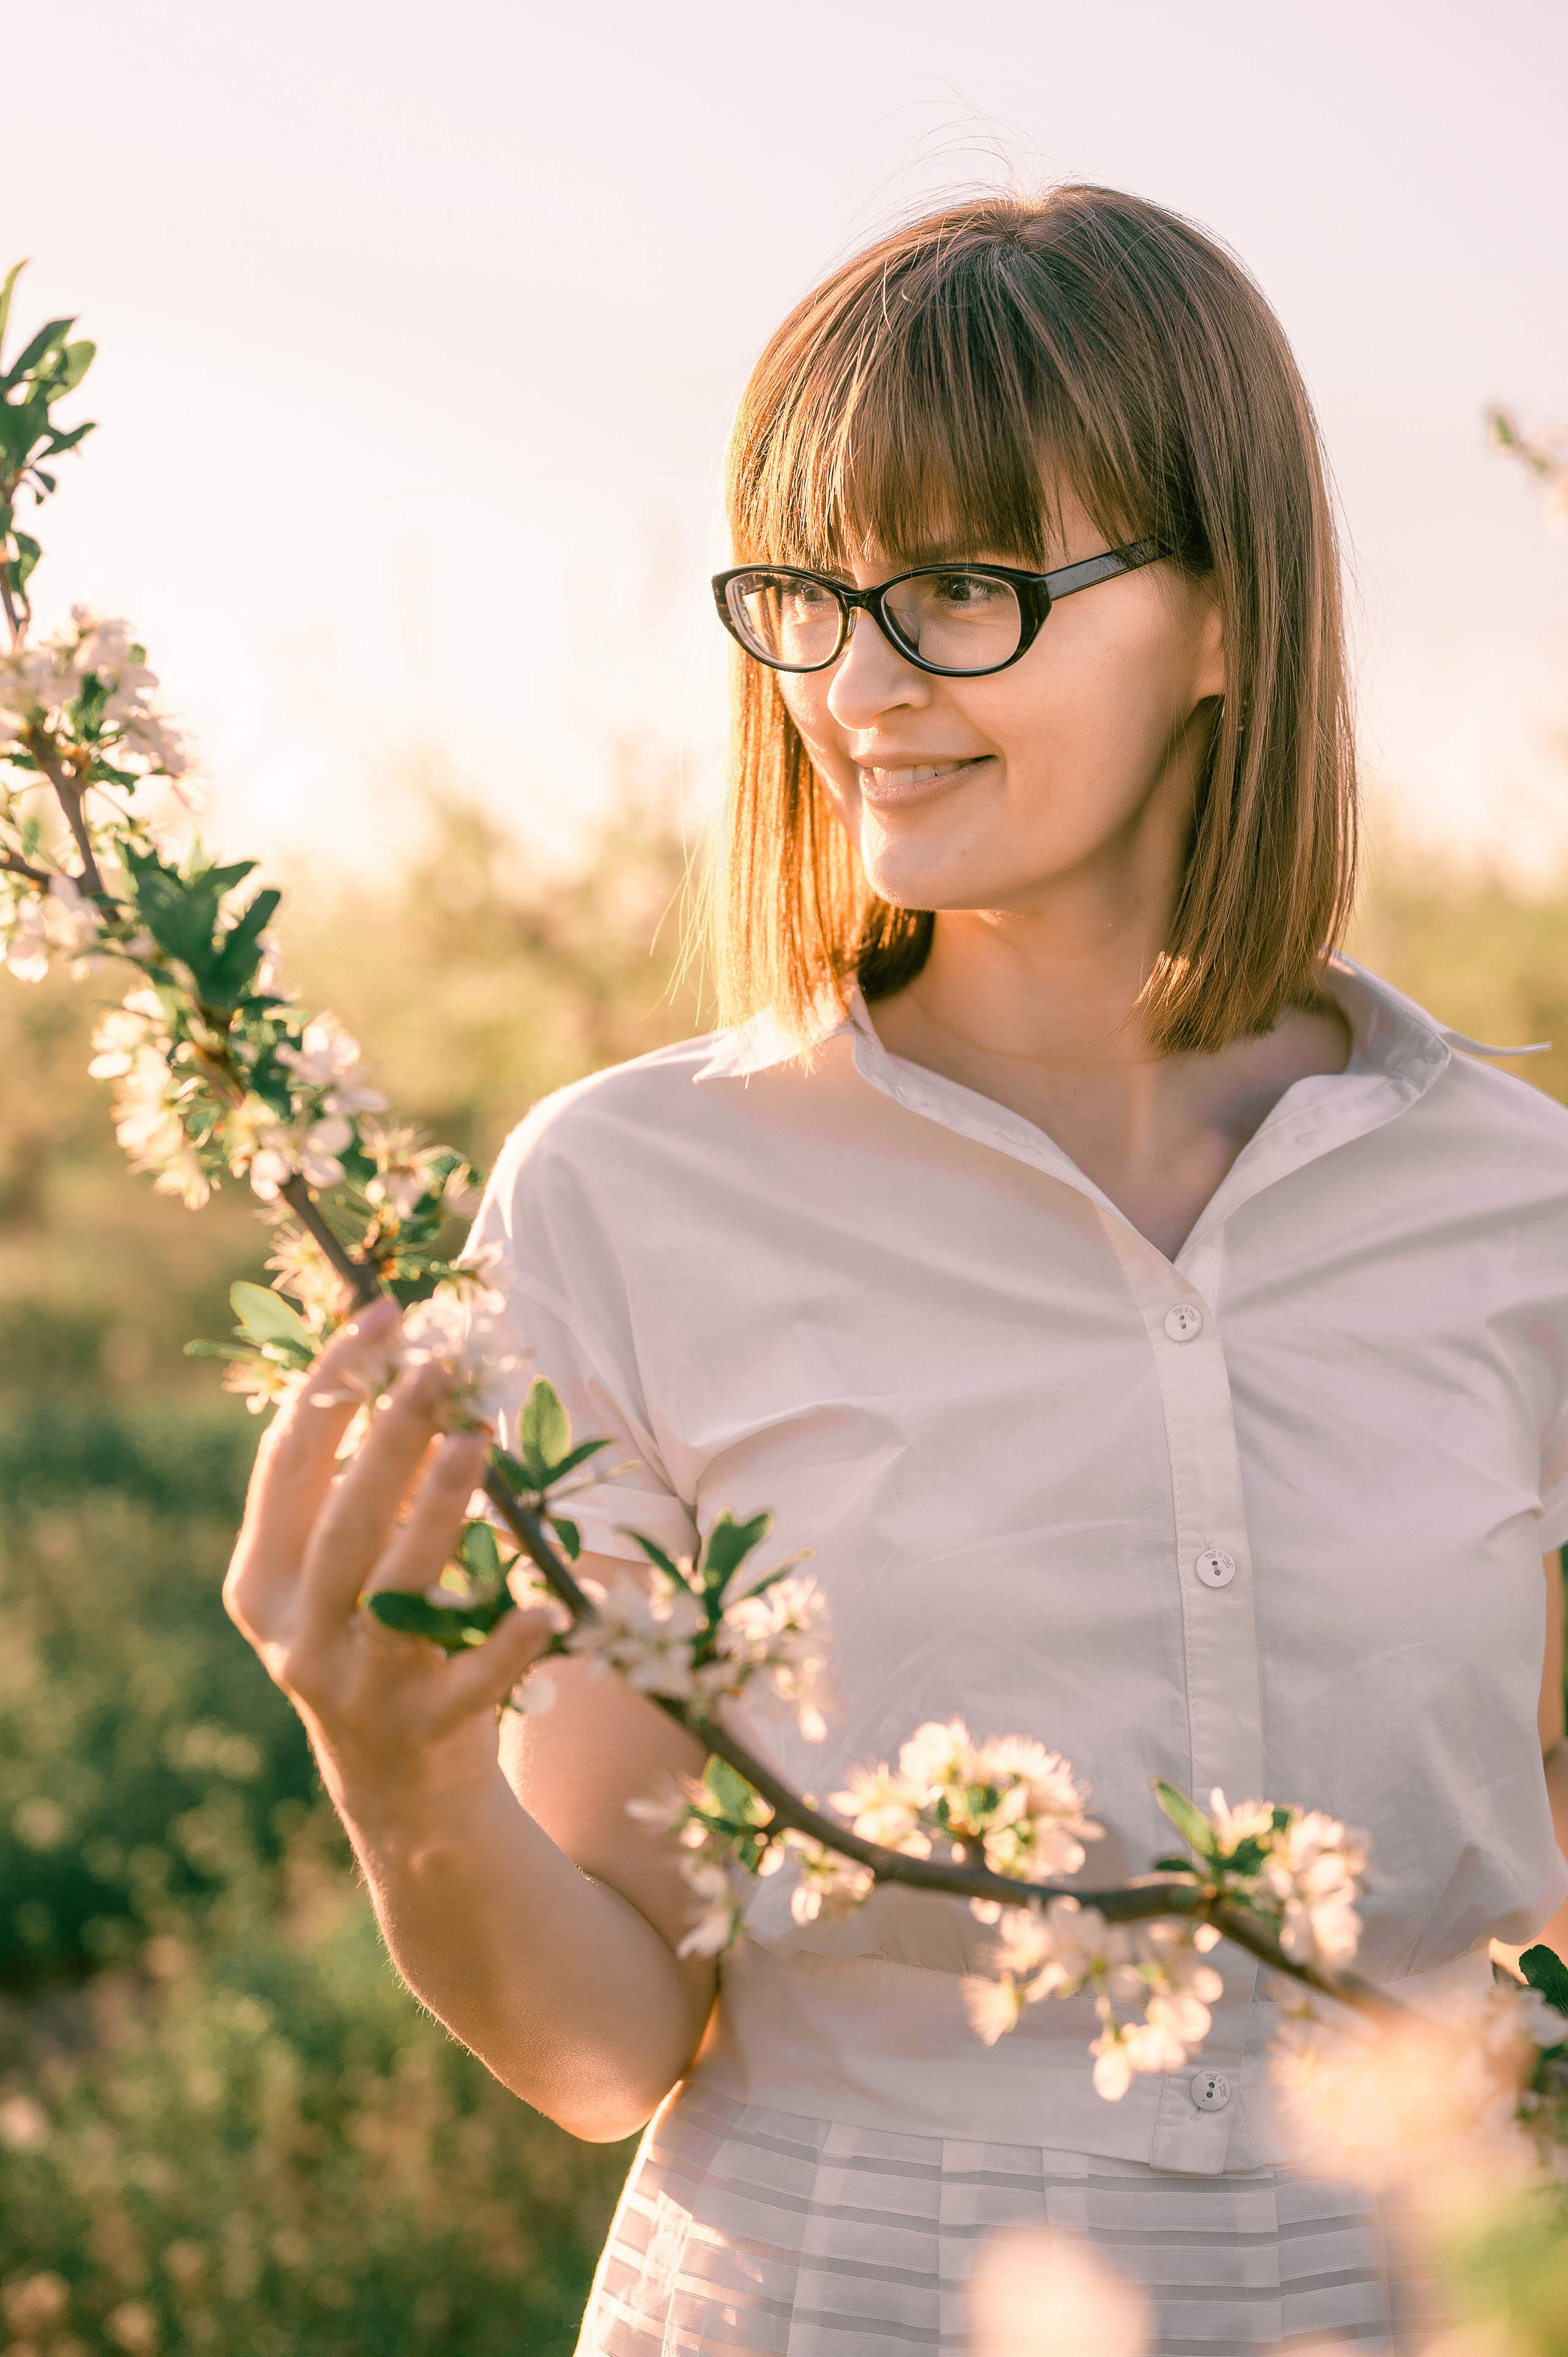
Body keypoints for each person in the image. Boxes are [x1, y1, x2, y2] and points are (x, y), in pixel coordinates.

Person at [225, 186, 1568, 2355]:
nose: (853, 687)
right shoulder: (631, 1197)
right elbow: (600, 2051)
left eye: (958, 589)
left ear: (1230, 615)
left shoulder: (1526, 1211)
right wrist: (403, 1780)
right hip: (833, 2304)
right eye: (809, 596)